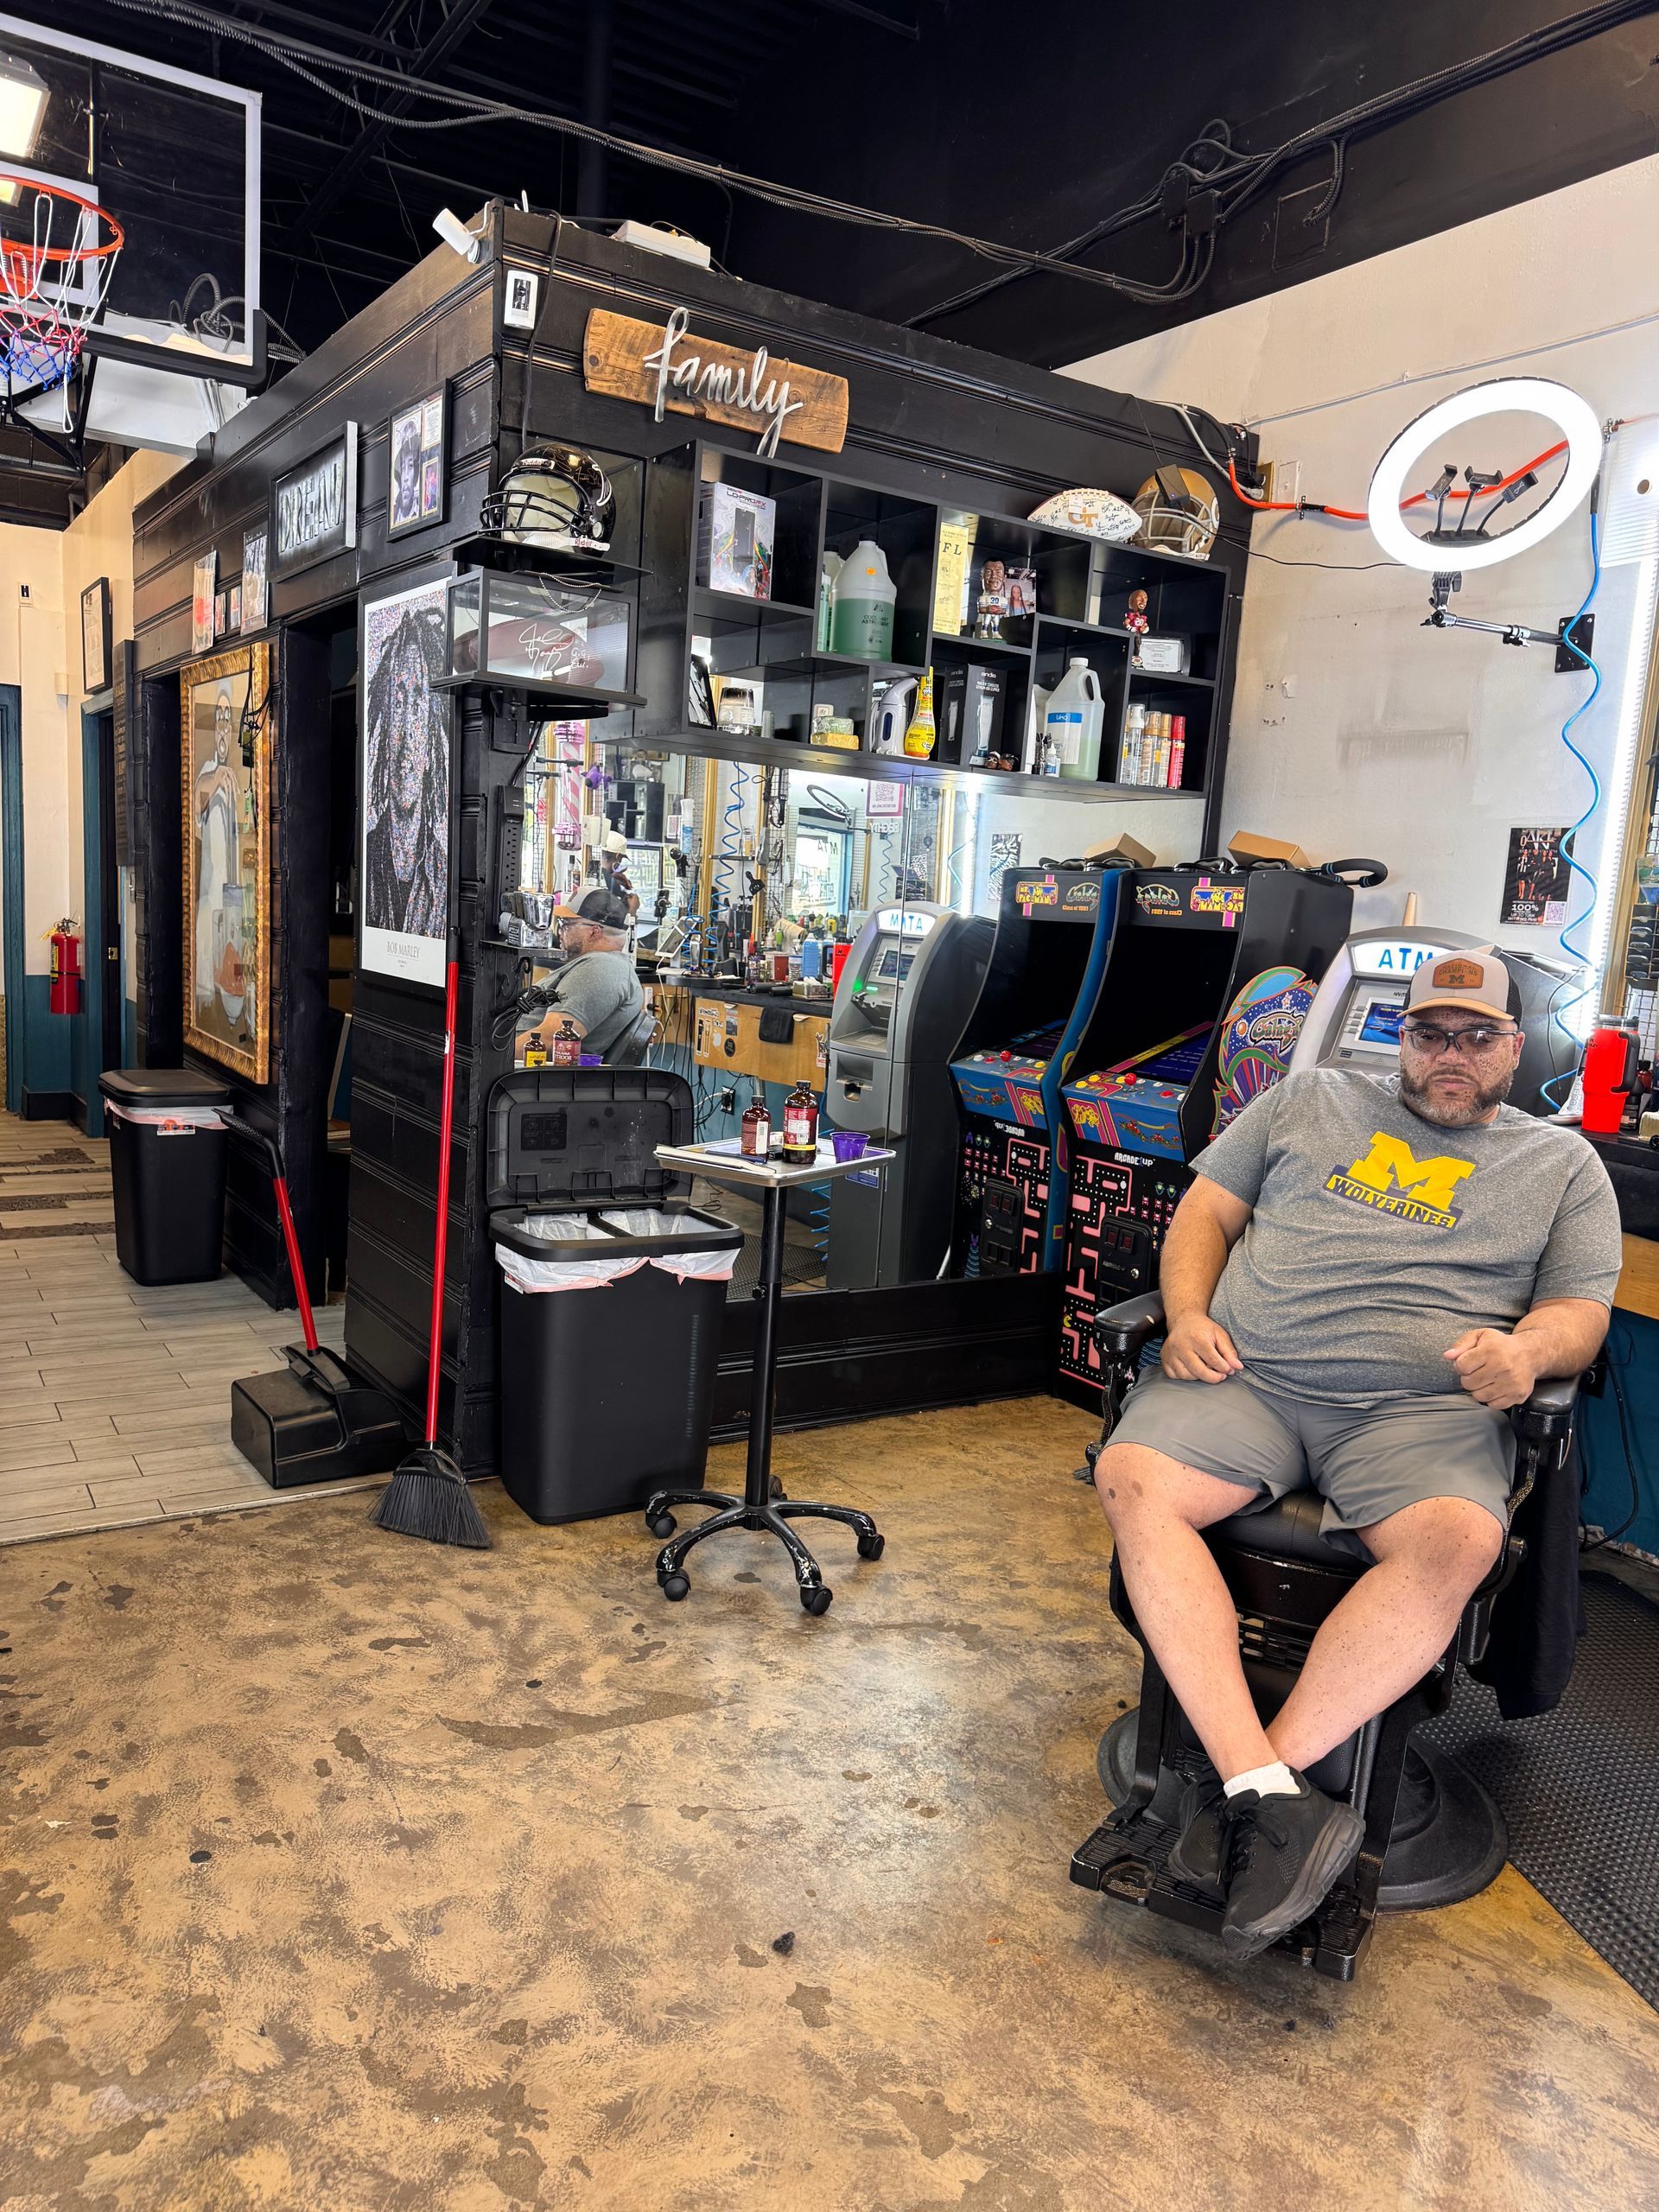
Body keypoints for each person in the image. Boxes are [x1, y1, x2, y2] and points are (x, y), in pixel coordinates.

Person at [1093, 948, 1621, 1958]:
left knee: (1457, 1539)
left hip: (1418, 1413)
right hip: (1250, 1379)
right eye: (1430, 1033)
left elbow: (1580, 1313)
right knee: (1133, 1476)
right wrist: (1190, 1312)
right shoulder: (1310, 1099)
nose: (1451, 1053)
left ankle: (1252, 1789)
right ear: (1400, 1037)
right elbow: (1206, 1211)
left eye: (1477, 1036)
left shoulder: (1562, 1167)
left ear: (1516, 1046)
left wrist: (1527, 1352)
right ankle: (1267, 1796)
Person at [526, 887, 645, 1060]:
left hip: (514, 1068)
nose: (559, 932)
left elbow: (551, 1039)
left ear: (593, 932)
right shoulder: (602, 964)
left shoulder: (601, 967)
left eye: (566, 925)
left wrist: (489, 1056)